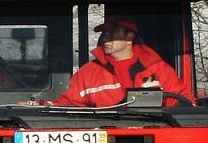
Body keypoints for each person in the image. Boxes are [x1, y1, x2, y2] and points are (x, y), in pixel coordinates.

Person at [49, 15, 189, 107]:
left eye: (112, 33)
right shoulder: (87, 73)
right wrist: (41, 105)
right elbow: (66, 104)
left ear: (129, 38)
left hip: (152, 142)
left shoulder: (158, 69)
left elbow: (185, 105)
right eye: (104, 33)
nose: (105, 38)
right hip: (105, 142)